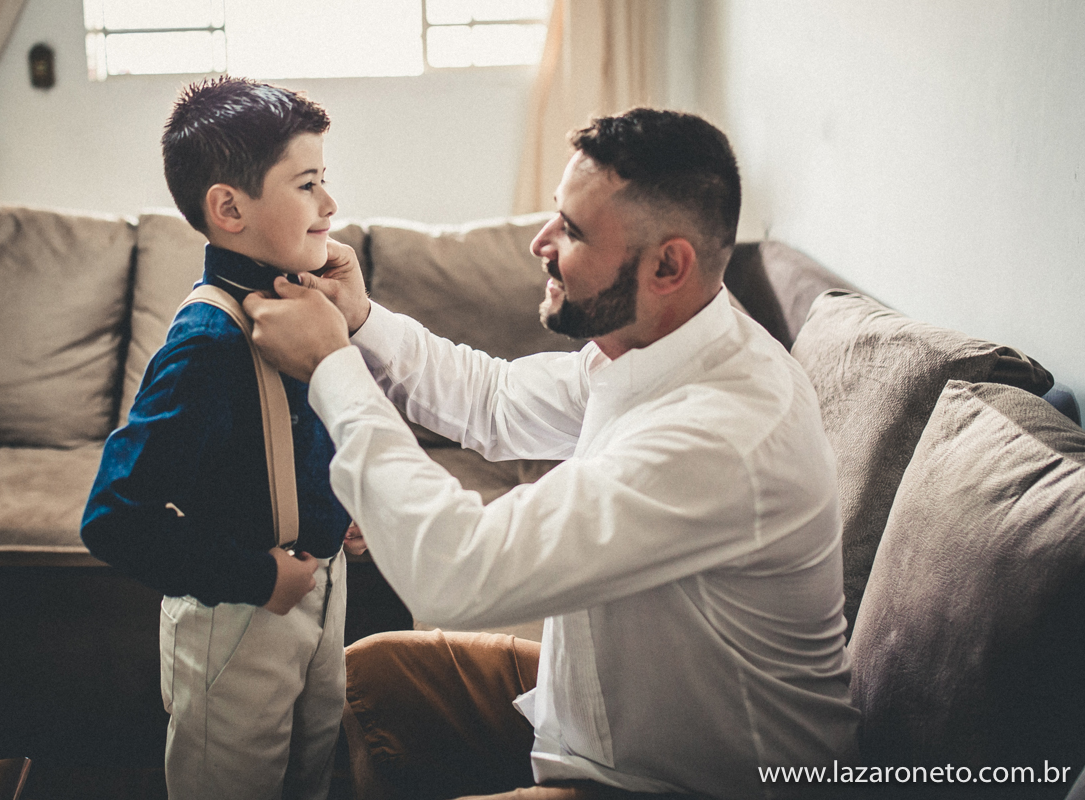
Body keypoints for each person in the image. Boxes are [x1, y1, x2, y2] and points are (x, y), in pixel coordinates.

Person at [243, 108, 860, 799]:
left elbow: (457, 572)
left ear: (668, 264)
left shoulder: (726, 432)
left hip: (675, 783)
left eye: (572, 230)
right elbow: (496, 400)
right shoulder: (656, 346)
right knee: (372, 675)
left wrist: (332, 367)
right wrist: (359, 322)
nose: (541, 241)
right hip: (599, 719)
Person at [80, 76, 356, 800]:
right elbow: (114, 518)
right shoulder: (205, 345)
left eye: (325, 180)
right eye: (306, 185)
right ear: (229, 208)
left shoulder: (309, 304)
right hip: (239, 621)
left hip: (326, 594)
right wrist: (258, 579)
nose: (330, 205)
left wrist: (342, 510)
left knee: (313, 774)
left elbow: (306, 436)